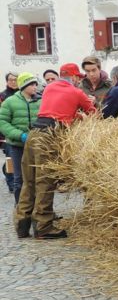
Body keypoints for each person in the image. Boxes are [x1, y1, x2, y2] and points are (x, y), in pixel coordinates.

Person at [14, 63, 95, 239]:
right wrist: (83, 112)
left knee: (29, 180)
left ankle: (22, 223)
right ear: (74, 77)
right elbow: (94, 114)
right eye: (77, 78)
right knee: (45, 181)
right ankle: (43, 227)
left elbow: (55, 108)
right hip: (50, 135)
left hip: (33, 133)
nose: (78, 81)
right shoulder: (77, 92)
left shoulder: (49, 87)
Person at [0, 71, 41, 204]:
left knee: (36, 178)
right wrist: (20, 135)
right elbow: (3, 122)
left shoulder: (40, 100)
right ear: (23, 86)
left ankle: (36, 208)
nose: (35, 87)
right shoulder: (9, 102)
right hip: (17, 146)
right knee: (19, 178)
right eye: (32, 84)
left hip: (36, 145)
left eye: (35, 84)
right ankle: (20, 209)